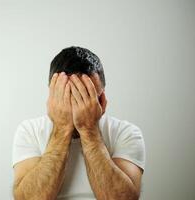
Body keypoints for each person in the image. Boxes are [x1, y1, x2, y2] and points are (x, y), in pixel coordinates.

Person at [12, 46, 146, 200]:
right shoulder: (29, 130)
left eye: (86, 98)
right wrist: (62, 129)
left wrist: (89, 130)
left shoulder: (126, 132)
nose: (77, 110)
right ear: (52, 98)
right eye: (69, 98)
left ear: (102, 101)